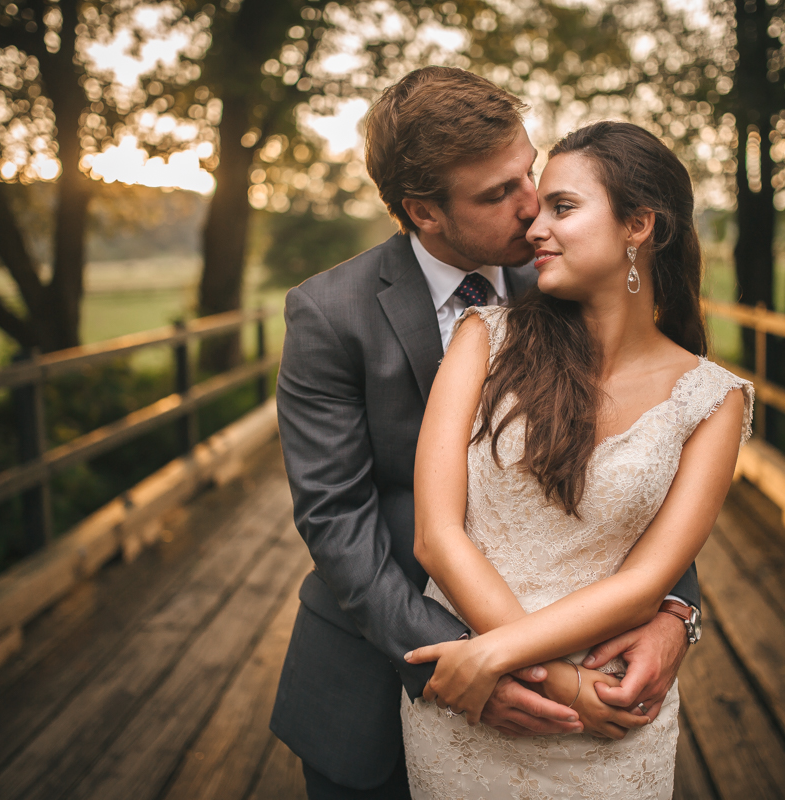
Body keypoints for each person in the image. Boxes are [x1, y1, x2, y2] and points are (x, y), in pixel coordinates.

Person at [270, 67, 702, 800]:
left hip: (573, 689)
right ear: (424, 212)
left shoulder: (571, 282)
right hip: (382, 678)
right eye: (497, 194)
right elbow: (336, 520)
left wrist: (676, 611)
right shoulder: (330, 315)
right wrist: (476, 659)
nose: (533, 207)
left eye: (527, 172)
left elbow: (653, 451)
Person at [400, 120, 753, 798]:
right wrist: (561, 684)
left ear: (638, 225)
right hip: (478, 710)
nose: (534, 228)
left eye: (562, 208)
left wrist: (498, 655)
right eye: (539, 211)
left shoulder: (713, 399)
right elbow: (437, 536)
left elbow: (649, 582)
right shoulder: (485, 339)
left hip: (611, 723)